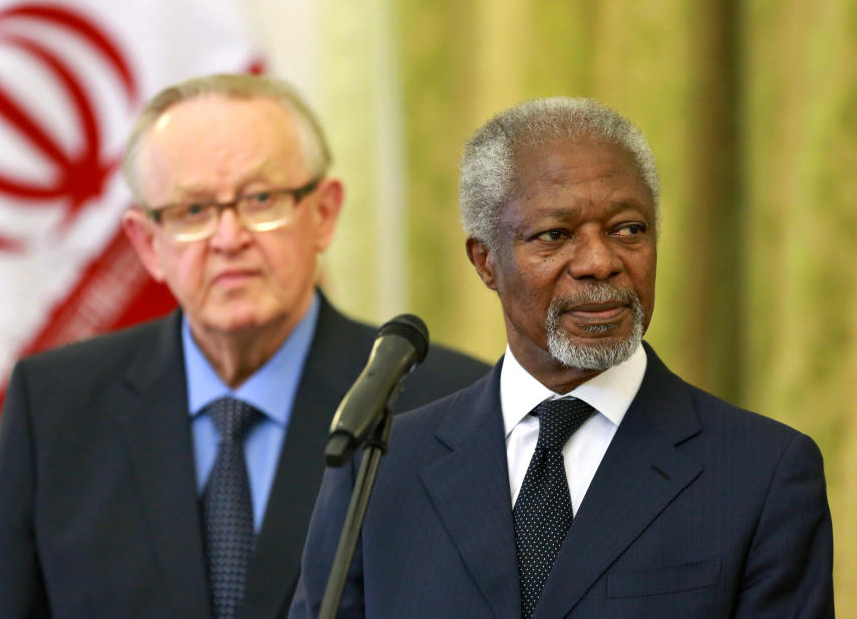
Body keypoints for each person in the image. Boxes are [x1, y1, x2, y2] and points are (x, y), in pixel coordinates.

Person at [290, 97, 834, 618]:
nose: (600, 262)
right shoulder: (380, 469)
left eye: (629, 230)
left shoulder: (763, 473)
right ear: (485, 261)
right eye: (555, 235)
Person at [0, 73, 489, 619]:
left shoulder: (454, 405)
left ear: (324, 213)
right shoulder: (56, 407)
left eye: (261, 199)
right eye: (192, 211)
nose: (228, 238)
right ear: (148, 244)